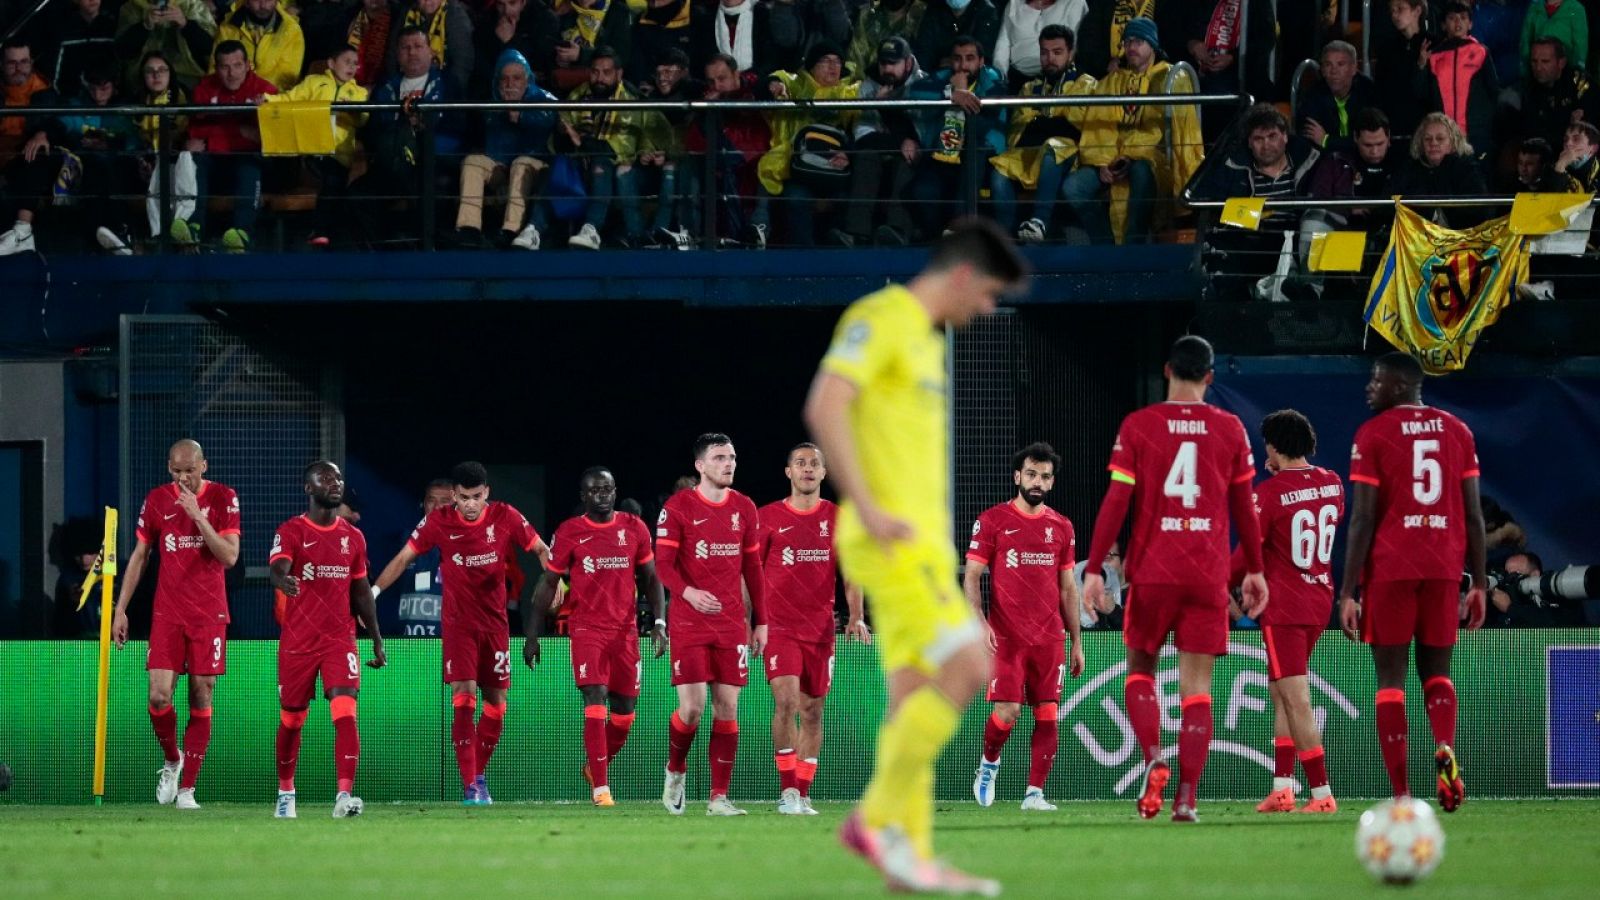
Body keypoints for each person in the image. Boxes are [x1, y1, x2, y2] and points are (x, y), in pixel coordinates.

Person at [806, 218, 1028, 894]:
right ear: (962, 274)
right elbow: (826, 404)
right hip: (890, 541)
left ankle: (911, 861)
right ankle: (873, 820)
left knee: (911, 703)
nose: (987, 310)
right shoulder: (884, 316)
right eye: (988, 293)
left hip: (921, 547)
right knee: (970, 665)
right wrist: (868, 506)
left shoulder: (929, 345)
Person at [1079, 335, 1267, 823]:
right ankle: (1186, 797)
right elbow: (1246, 509)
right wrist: (1256, 572)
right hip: (1206, 576)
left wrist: (1095, 566)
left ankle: (1153, 759)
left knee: (1140, 672)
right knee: (1197, 690)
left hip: (1153, 573)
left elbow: (1116, 501)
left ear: (1167, 371)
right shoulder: (1230, 429)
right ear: (1209, 376)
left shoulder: (1140, 426)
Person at [1338, 352, 1486, 813]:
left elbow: (1362, 519)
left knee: (1390, 679)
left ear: (1400, 386)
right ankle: (1444, 745)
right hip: (1444, 566)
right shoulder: (1457, 430)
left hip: (1390, 568)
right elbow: (1474, 516)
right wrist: (1479, 582)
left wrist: (1347, 591)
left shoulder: (1373, 434)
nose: (1369, 388)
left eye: (1376, 380)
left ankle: (1402, 793)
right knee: (1437, 673)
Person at [371, 461, 550, 805]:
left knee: (496, 707)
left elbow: (541, 548)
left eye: (477, 497)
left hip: (495, 626)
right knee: (464, 700)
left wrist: (553, 577)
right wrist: (374, 593)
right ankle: (472, 785)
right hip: (459, 626)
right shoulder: (439, 521)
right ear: (454, 496)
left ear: (487, 494)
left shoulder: (505, 516)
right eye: (464, 497)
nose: (470, 504)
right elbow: (404, 557)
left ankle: (477, 775)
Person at [110, 439, 242, 811]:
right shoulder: (156, 500)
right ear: (169, 468)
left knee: (201, 694)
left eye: (189, 470)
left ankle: (187, 790)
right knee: (158, 696)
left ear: (204, 466)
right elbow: (140, 556)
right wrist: (121, 609)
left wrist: (198, 515)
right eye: (176, 471)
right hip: (167, 613)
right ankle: (172, 759)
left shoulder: (224, 498)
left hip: (208, 613)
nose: (183, 478)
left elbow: (229, 556)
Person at [525, 466, 664, 808]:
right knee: (595, 698)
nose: (603, 494)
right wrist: (532, 633)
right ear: (583, 496)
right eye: (595, 490)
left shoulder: (634, 528)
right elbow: (547, 584)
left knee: (625, 715)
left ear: (615, 492)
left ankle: (593, 767)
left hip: (626, 632)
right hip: (587, 629)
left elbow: (650, 577)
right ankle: (601, 789)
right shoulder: (570, 532)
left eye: (608, 489)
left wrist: (660, 622)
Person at [1235, 410, 1343, 816]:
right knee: (1282, 690)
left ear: (1275, 447)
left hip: (1285, 606)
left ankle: (1321, 794)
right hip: (1319, 600)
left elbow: (1249, 549)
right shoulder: (1333, 483)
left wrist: (1211, 580)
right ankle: (1282, 788)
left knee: (1296, 697)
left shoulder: (1270, 493)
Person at [965, 442, 1083, 812]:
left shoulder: (1061, 527)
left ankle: (1034, 794)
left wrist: (1076, 640)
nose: (1038, 481)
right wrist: (979, 621)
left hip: (1049, 637)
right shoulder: (993, 521)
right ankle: (989, 764)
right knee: (1008, 712)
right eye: (1031, 474)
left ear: (1051, 482)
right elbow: (971, 578)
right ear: (1017, 477)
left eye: (1045, 476)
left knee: (1048, 713)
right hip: (1006, 637)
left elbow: (1068, 588)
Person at [654, 433, 767, 817]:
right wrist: (688, 593)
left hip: (731, 623)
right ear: (700, 465)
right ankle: (675, 770)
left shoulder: (745, 508)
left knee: (727, 707)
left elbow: (753, 569)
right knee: (693, 709)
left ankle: (718, 798)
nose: (728, 464)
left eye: (732, 457)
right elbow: (663, 566)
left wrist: (760, 622)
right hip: (688, 621)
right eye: (719, 458)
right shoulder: (678, 507)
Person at [266, 461, 385, 820]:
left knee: (345, 708)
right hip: (298, 641)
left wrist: (376, 637)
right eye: (326, 478)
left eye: (338, 478)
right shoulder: (291, 531)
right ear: (308, 488)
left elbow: (362, 590)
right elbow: (277, 567)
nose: (335, 484)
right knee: (292, 721)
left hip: (340, 639)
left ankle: (344, 795)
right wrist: (282, 580)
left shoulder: (354, 537)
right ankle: (286, 791)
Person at [757, 443, 867, 816]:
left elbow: (852, 574)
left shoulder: (838, 519)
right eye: (800, 463)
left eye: (814, 464)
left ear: (824, 473)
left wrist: (856, 616)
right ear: (788, 472)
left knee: (814, 711)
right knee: (786, 702)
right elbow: (749, 574)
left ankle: (803, 793)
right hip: (779, 627)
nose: (807, 469)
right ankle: (786, 792)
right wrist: (750, 621)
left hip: (820, 630)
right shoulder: (768, 517)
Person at [1064, 16, 1201, 245]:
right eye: (1127, 41)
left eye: (1138, 41)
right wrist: (1102, 163)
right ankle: (1105, 245)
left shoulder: (1170, 77)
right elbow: (1100, 125)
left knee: (1141, 171)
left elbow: (1160, 129)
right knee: (1072, 188)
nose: (1131, 47)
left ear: (1152, 45)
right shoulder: (1113, 80)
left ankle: (1133, 246)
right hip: (1111, 159)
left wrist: (1129, 154)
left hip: (1153, 159)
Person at [989, 23, 1095, 241]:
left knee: (1054, 146)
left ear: (1071, 53)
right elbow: (1019, 131)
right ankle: (1004, 238)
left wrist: (1042, 122)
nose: (1050, 59)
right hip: (1032, 151)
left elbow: (1077, 127)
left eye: (1057, 53)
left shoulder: (1086, 85)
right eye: (1044, 53)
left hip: (1071, 154)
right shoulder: (1030, 88)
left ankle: (1039, 221)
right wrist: (1053, 122)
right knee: (999, 169)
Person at [906, 35, 1007, 241]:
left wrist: (961, 94)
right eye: (958, 59)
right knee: (922, 191)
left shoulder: (994, 81)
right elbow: (914, 95)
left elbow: (987, 118)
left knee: (975, 150)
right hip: (943, 155)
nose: (963, 65)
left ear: (981, 61)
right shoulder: (944, 78)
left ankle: (961, 228)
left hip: (981, 156)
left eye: (970, 58)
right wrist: (950, 94)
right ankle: (937, 240)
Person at [180, 40, 279, 251]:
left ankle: (241, 234)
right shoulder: (205, 88)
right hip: (216, 164)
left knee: (249, 162)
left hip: (252, 165)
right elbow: (195, 134)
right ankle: (192, 228)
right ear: (217, 68)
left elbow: (271, 138)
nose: (231, 73)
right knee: (195, 159)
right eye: (225, 67)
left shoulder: (265, 90)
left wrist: (217, 134)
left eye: (237, 65)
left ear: (247, 65)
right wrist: (241, 132)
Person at [267, 45, 369, 248]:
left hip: (341, 155)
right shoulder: (314, 82)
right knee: (330, 178)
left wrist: (353, 112)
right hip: (314, 149)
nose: (351, 67)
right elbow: (289, 99)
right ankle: (322, 231)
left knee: (336, 183)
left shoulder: (358, 92)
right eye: (346, 61)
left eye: (355, 63)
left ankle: (329, 235)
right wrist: (267, 99)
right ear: (331, 63)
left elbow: (363, 120)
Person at [454, 48, 557, 249]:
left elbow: (548, 119)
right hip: (502, 165)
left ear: (527, 80)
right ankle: (469, 229)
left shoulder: (543, 98)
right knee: (473, 161)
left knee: (520, 164)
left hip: (536, 166)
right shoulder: (493, 103)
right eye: (505, 79)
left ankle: (511, 230)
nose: (510, 84)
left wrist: (520, 116)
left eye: (516, 78)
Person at [835, 35, 924, 248]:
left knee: (908, 159)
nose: (887, 69)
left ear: (908, 63)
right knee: (866, 157)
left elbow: (919, 136)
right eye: (884, 63)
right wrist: (900, 140)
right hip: (883, 149)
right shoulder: (869, 86)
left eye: (893, 63)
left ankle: (898, 231)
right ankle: (857, 234)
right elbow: (864, 137)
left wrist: (887, 108)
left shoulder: (922, 85)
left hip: (914, 155)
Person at [559, 46, 645, 249]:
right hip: (581, 162)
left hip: (626, 166)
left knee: (602, 163)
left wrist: (583, 143)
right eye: (595, 72)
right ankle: (535, 229)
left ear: (619, 74)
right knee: (559, 164)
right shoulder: (579, 94)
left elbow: (623, 148)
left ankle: (592, 228)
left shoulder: (630, 99)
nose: (599, 78)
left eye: (606, 73)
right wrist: (564, 133)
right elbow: (564, 124)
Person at [1425, 2, 1498, 165]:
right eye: (1452, 18)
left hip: (1476, 133)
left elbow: (1493, 91)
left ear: (1470, 23)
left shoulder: (1481, 52)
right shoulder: (1434, 56)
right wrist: (1420, 66)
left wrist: (1484, 123)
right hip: (1444, 137)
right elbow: (1424, 94)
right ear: (1443, 25)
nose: (1458, 22)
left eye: (1463, 18)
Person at [1391, 112, 1488, 228]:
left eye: (1440, 138)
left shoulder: (1467, 169)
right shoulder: (1410, 168)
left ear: (1453, 142)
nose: (1433, 143)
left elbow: (1480, 210)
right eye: (1427, 139)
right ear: (1421, 143)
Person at [114, 0, 218, 91]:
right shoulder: (132, 8)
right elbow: (122, 52)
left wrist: (185, 24)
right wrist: (144, 26)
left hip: (189, 80)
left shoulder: (193, 5)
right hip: (141, 82)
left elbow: (210, 49)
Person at [1297, 41, 1376, 157]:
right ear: (1322, 70)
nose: (1334, 71)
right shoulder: (1312, 96)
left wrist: (1326, 140)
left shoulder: (1369, 92)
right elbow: (1310, 140)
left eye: (1340, 64)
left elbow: (1369, 141)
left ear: (1354, 68)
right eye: (1328, 65)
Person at [992, 0, 1086, 93]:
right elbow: (1002, 44)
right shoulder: (1014, 4)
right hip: (1018, 77)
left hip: (1061, 76)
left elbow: (1076, 43)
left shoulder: (1075, 3)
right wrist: (1000, 77)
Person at [387, 0, 476, 97]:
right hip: (406, 85)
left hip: (445, 89)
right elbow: (393, 55)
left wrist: (449, 95)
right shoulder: (407, 12)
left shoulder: (455, 15)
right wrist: (394, 90)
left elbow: (462, 63)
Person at [216, 0, 307, 92]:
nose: (263, 4)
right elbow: (216, 68)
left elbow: (285, 79)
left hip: (272, 99)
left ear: (277, 1)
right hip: (232, 97)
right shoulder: (228, 28)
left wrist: (255, 93)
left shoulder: (291, 31)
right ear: (246, 2)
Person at [1372, 0, 1431, 141]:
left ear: (1417, 11)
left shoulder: (1433, 43)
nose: (1394, 14)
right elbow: (1381, 89)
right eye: (1392, 10)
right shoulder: (1387, 48)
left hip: (1425, 128)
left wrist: (1421, 67)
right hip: (1394, 127)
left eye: (1400, 9)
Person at [1520, 0, 1588, 80]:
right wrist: (1525, 69)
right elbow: (1526, 40)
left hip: (1564, 71)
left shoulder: (1575, 8)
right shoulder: (1535, 7)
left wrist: (1577, 70)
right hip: (1538, 71)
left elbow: (1580, 44)